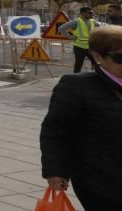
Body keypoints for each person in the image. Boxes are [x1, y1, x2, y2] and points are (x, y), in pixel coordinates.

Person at [40, 25, 122, 211]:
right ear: (98, 56)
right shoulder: (77, 86)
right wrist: (55, 170)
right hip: (100, 180)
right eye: (120, 58)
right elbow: (55, 131)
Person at [59, 7, 98, 73]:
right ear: (83, 13)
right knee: (79, 64)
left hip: (90, 47)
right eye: (90, 13)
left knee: (96, 63)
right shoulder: (76, 22)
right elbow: (61, 28)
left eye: (92, 13)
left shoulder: (92, 21)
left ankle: (100, 77)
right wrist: (69, 36)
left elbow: (103, 28)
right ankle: (76, 78)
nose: (92, 14)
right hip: (79, 47)